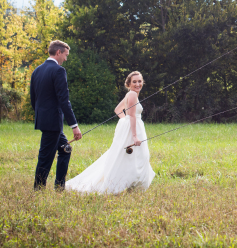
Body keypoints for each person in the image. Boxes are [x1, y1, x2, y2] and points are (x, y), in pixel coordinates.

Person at [66, 71, 155, 194]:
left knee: (130, 156)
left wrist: (125, 121)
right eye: (134, 82)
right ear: (129, 84)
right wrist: (133, 135)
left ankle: (131, 185)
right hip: (134, 130)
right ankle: (128, 184)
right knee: (136, 156)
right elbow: (133, 116)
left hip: (131, 128)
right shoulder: (133, 95)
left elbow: (118, 110)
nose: (138, 84)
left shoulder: (130, 94)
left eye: (140, 81)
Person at [31, 40, 82, 190]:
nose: (66, 59)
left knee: (66, 149)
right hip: (52, 122)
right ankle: (38, 189)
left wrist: (41, 115)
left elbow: (33, 99)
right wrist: (74, 126)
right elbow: (64, 101)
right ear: (58, 52)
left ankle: (59, 186)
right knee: (45, 157)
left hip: (44, 120)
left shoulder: (37, 70)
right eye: (65, 55)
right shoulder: (59, 71)